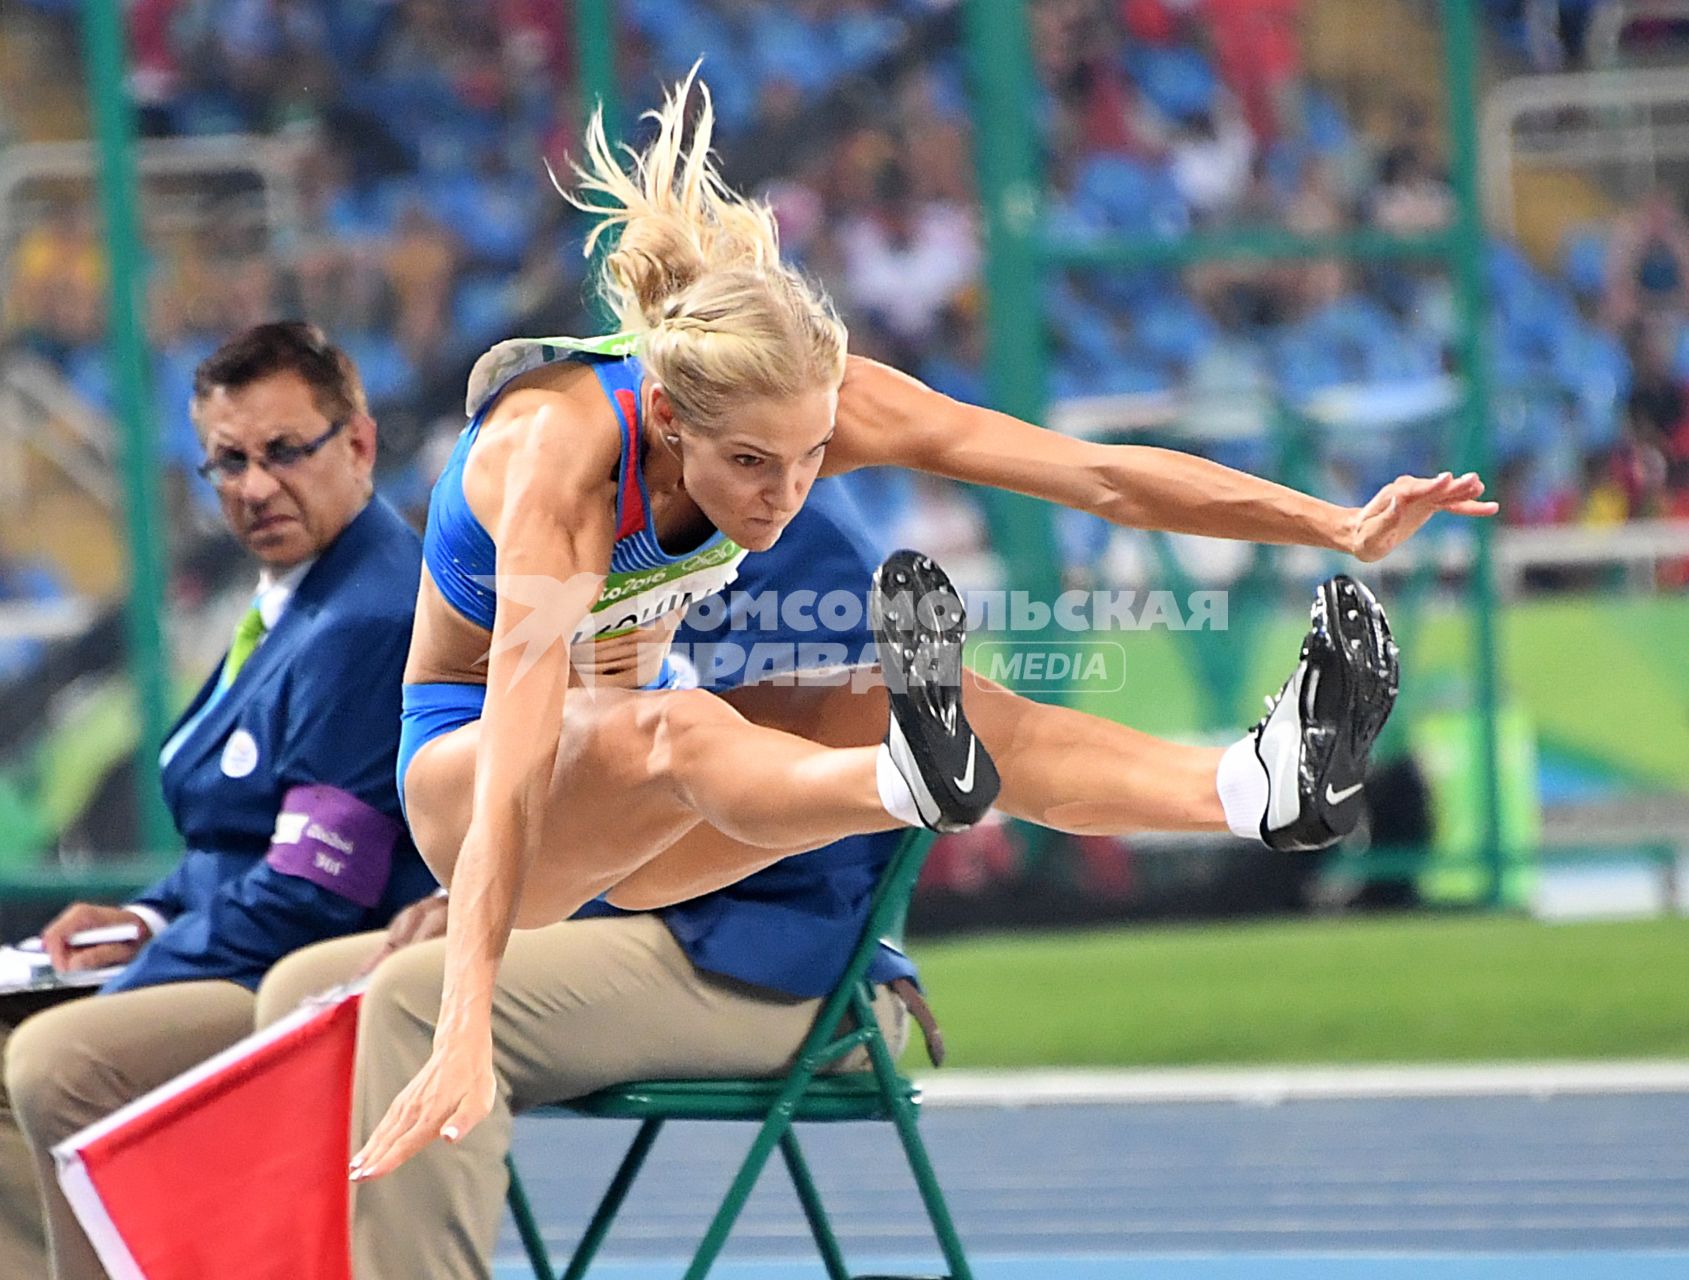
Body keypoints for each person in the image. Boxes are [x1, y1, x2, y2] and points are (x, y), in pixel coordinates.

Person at [352, 69, 1496, 1182]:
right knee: (674, 726)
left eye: (806, 460)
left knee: (916, 705)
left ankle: (1256, 788)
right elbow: (520, 741)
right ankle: (908, 781)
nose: (780, 496)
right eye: (749, 464)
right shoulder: (560, 461)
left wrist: (1334, 524)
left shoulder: (811, 401)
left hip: (646, 821)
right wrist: (468, 1006)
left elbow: (1092, 475)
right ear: (666, 414)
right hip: (475, 778)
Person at [257, 475, 916, 1279]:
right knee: (305, 993)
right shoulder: (640, 507)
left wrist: (548, 901)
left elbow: (789, 833)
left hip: (776, 959)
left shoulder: (798, 549)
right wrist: (478, 900)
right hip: (654, 919)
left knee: (417, 1005)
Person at [0, 321, 438, 1280]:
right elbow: (235, 842)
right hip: (258, 954)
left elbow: (312, 892)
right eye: (227, 463)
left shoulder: (368, 617)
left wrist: (146, 962)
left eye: (285, 452)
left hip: (326, 979)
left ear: (358, 444)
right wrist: (146, 913)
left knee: (49, 1063)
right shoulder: (296, 594)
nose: (253, 486)